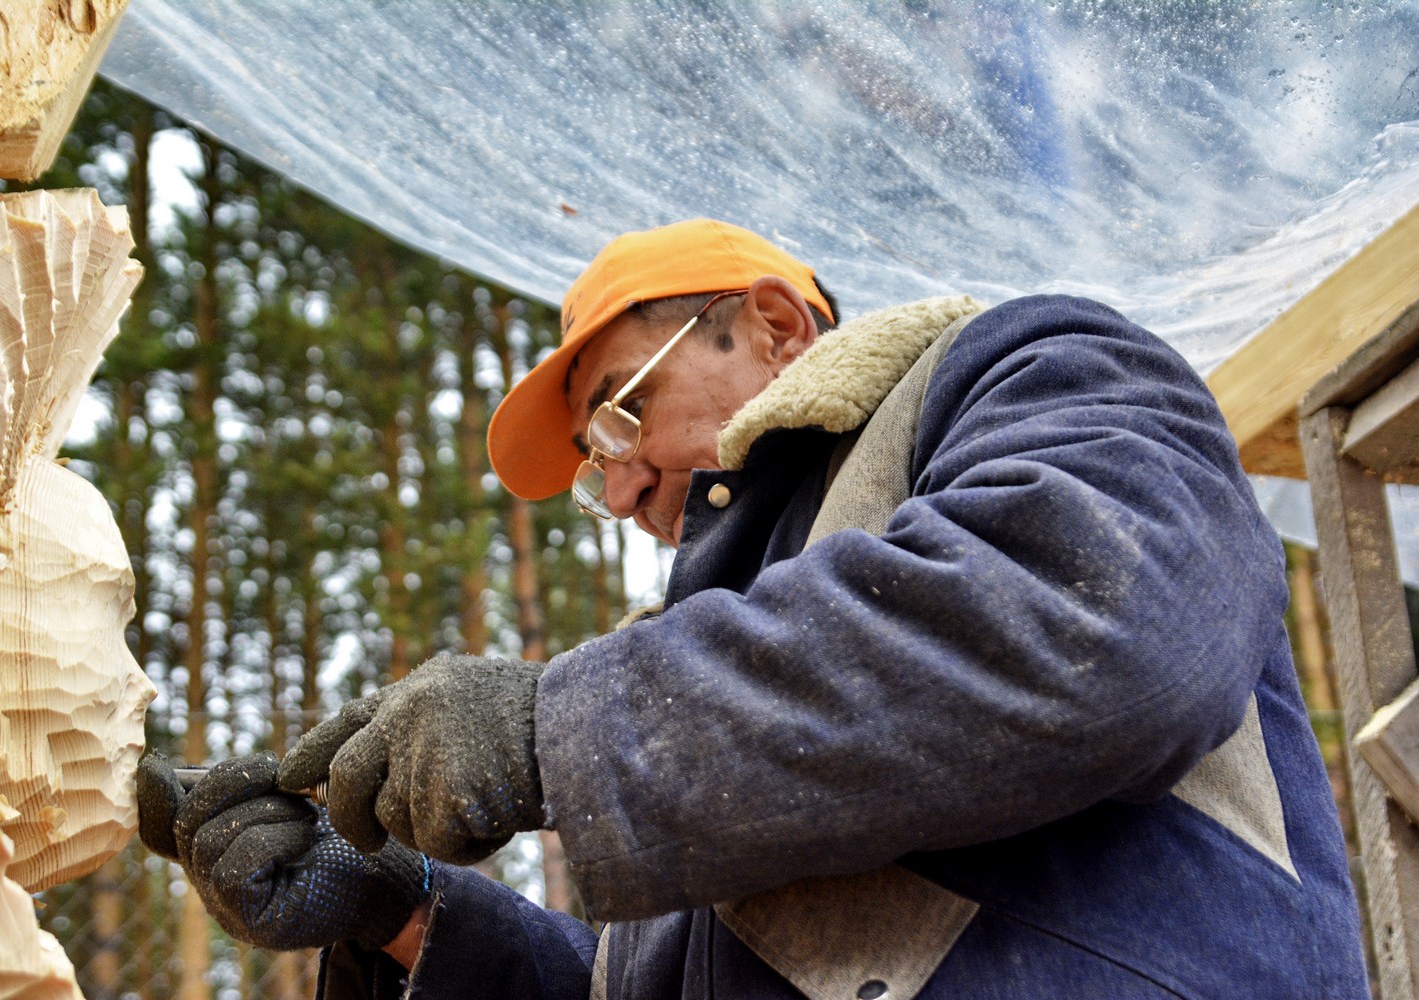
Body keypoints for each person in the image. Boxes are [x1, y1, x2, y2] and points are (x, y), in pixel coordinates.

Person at [137, 218, 1369, 999]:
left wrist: (553, 729)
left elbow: (1101, 625)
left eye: (620, 412)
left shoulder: (1025, 369)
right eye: (588, 468)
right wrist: (404, 914)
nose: (617, 488)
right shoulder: (697, 694)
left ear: (773, 328)